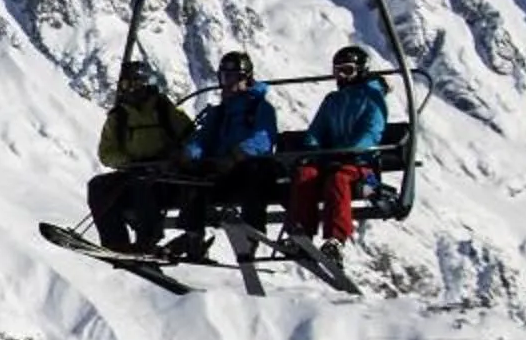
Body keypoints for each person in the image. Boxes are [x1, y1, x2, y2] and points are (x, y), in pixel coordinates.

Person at [165, 51, 279, 261]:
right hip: (220, 171)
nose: (227, 83)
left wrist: (237, 154)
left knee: (255, 172)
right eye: (224, 77)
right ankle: (193, 236)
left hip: (244, 168)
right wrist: (188, 154)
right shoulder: (219, 113)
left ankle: (251, 234)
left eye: (232, 77)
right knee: (193, 176)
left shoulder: (260, 108)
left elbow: (264, 139)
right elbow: (203, 139)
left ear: (246, 78)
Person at [283, 45, 390, 255]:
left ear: (361, 70)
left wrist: (347, 152)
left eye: (347, 70)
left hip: (363, 166)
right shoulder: (333, 100)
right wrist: (312, 150)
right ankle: (300, 233)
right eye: (337, 71)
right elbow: (316, 130)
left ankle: (336, 238)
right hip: (329, 160)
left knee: (338, 179)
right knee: (306, 174)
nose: (342, 76)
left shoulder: (373, 98)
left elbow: (371, 133)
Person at [88, 60, 195, 253]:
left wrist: (175, 156)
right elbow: (106, 153)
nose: (130, 90)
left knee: (142, 183)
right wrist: (128, 162)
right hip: (134, 170)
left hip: (168, 176)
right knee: (98, 187)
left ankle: (148, 238)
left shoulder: (163, 109)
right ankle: (116, 242)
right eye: (125, 85)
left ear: (145, 83)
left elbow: (190, 135)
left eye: (134, 84)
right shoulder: (119, 117)